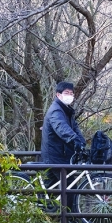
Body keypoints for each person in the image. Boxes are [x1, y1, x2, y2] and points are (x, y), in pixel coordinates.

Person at [40, 81, 86, 210]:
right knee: (70, 185)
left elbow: (74, 128)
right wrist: (74, 140)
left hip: (60, 154)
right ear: (58, 95)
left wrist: (81, 141)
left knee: (51, 187)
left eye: (71, 93)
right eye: (66, 93)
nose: (69, 95)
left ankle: (46, 216)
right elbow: (61, 128)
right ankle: (68, 218)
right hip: (55, 156)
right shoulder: (56, 110)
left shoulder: (66, 111)